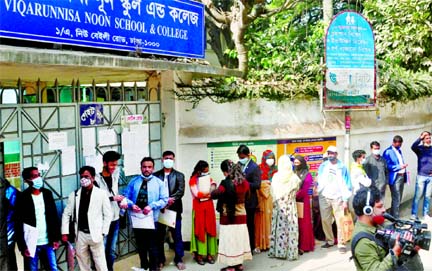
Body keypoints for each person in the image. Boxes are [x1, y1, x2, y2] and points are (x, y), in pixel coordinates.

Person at [351, 186, 424, 271]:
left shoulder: (375, 225)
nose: (384, 210)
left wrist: (410, 249)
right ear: (368, 210)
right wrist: (396, 250)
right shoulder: (362, 242)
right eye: (380, 206)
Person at [61, 166, 113, 271]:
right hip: (80, 235)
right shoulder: (74, 195)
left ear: (93, 178)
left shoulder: (101, 194)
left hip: (96, 234)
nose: (84, 179)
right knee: (83, 263)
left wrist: (103, 232)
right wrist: (64, 232)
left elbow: (108, 214)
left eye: (86, 176)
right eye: (82, 177)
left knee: (100, 263)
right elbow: (66, 214)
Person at [122, 157, 168, 271]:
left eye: (149, 167)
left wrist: (152, 206)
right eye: (144, 167)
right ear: (141, 168)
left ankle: (153, 267)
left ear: (153, 168)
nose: (146, 169)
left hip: (153, 219)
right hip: (137, 219)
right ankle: (144, 266)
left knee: (153, 246)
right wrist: (131, 205)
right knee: (141, 246)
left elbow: (164, 200)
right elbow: (125, 197)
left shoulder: (159, 183)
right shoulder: (133, 182)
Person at [15, 167, 61, 271]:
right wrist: (23, 247)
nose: (38, 178)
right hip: (31, 244)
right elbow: (18, 223)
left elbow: (53, 217)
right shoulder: (23, 198)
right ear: (27, 180)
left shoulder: (47, 194)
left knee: (53, 268)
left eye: (38, 175)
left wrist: (55, 238)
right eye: (34, 176)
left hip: (48, 241)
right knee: (32, 268)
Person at [211, 160, 252, 271]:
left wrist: (211, 188)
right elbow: (248, 197)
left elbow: (215, 194)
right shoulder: (245, 182)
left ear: (226, 172)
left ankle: (231, 267)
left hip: (228, 217)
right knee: (239, 240)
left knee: (230, 241)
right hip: (242, 215)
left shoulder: (225, 183)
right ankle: (239, 264)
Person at [153, 150, 186, 270]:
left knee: (177, 235)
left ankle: (179, 259)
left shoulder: (179, 175)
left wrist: (169, 201)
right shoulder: (156, 175)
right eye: (166, 158)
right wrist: (162, 204)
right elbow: (154, 191)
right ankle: (160, 260)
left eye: (170, 158)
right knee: (159, 236)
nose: (168, 160)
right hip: (160, 210)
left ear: (174, 159)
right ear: (162, 159)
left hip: (174, 210)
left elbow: (180, 191)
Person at [316, 145, 352, 253]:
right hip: (324, 197)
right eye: (329, 153)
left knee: (340, 221)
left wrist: (345, 199)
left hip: (338, 197)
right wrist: (317, 190)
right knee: (325, 220)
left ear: (336, 154)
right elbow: (319, 179)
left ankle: (341, 243)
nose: (331, 155)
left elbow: (347, 184)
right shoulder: (323, 166)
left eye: (333, 153)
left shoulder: (342, 167)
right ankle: (329, 240)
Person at [94, 150, 125, 271]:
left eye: (116, 164)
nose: (114, 167)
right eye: (112, 164)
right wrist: (112, 198)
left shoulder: (115, 174)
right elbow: (95, 199)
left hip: (115, 217)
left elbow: (115, 192)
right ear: (104, 163)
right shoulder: (96, 179)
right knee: (101, 249)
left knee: (111, 250)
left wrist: (120, 201)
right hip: (102, 220)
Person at [268, 155, 301, 261]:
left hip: (279, 207)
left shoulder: (276, 177)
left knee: (279, 229)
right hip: (290, 206)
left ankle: (278, 251)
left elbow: (272, 192)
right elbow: (296, 191)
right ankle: (290, 253)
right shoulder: (294, 178)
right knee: (290, 228)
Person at [189, 160, 218, 265]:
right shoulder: (193, 180)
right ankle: (199, 255)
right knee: (200, 230)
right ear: (200, 170)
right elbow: (196, 193)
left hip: (209, 207)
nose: (207, 171)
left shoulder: (209, 178)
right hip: (199, 208)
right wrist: (208, 194)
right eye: (205, 170)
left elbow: (214, 187)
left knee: (210, 229)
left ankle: (210, 254)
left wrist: (212, 189)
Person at [236, 145, 261, 253]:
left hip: (250, 201)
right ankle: (241, 246)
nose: (240, 159)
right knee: (240, 225)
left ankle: (251, 247)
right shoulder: (237, 165)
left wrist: (245, 184)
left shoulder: (254, 167)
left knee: (250, 225)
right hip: (239, 200)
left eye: (242, 157)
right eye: (239, 157)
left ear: (248, 155)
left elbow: (257, 184)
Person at [255, 149, 277, 253]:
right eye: (268, 158)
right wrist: (266, 184)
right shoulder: (258, 169)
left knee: (271, 219)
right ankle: (261, 243)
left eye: (272, 158)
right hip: (261, 198)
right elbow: (256, 183)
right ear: (264, 158)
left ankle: (271, 243)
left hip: (273, 198)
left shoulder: (276, 170)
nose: (270, 160)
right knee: (261, 220)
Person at [383, 135, 408, 218]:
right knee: (396, 197)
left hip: (402, 176)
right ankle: (395, 217)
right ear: (394, 142)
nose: (399, 146)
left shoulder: (399, 150)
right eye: (398, 144)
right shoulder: (387, 152)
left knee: (399, 197)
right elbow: (386, 165)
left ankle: (394, 214)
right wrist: (399, 167)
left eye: (400, 145)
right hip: (395, 177)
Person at [294, 155, 315, 254]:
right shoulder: (294, 173)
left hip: (303, 201)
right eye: (294, 163)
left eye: (298, 163)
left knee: (303, 224)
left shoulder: (307, 175)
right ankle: (295, 244)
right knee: (295, 223)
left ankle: (304, 245)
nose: (296, 165)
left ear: (302, 163)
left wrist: (294, 196)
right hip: (293, 201)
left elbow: (304, 190)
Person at [410, 131, 432, 220]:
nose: (429, 140)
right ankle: (413, 214)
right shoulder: (419, 149)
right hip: (421, 176)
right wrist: (420, 137)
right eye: (427, 138)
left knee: (427, 196)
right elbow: (413, 146)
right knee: (418, 196)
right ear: (423, 140)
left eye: (430, 138)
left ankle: (425, 214)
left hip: (430, 177)